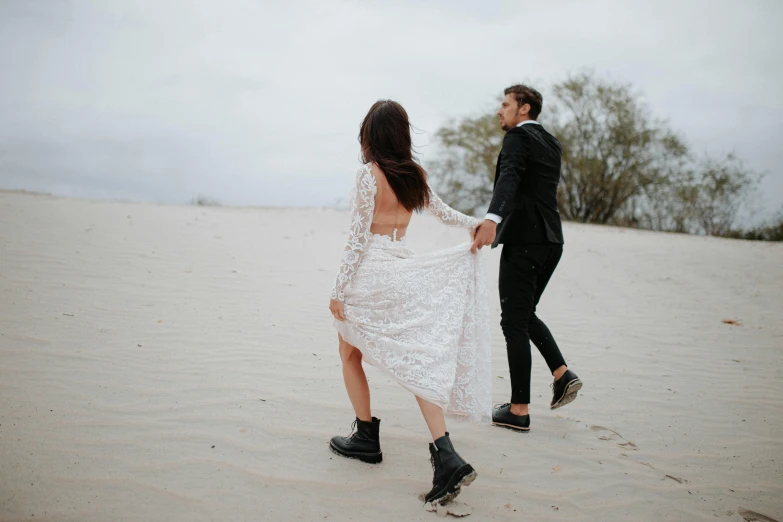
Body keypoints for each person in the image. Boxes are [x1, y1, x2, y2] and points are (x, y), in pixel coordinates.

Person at [328, 100, 492, 505]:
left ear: (370, 134)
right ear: (402, 135)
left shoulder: (369, 176)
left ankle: (367, 437)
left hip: (370, 277)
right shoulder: (414, 176)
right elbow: (444, 212)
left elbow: (356, 239)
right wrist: (475, 223)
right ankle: (444, 451)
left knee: (349, 354)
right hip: (402, 270)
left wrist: (338, 290)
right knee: (413, 358)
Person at [471, 84, 583, 432]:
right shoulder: (551, 143)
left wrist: (492, 218)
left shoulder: (518, 139)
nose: (499, 110)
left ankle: (519, 410)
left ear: (525, 109)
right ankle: (562, 373)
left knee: (513, 322)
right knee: (523, 313)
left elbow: (509, 179)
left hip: (524, 242)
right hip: (552, 242)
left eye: (505, 104)